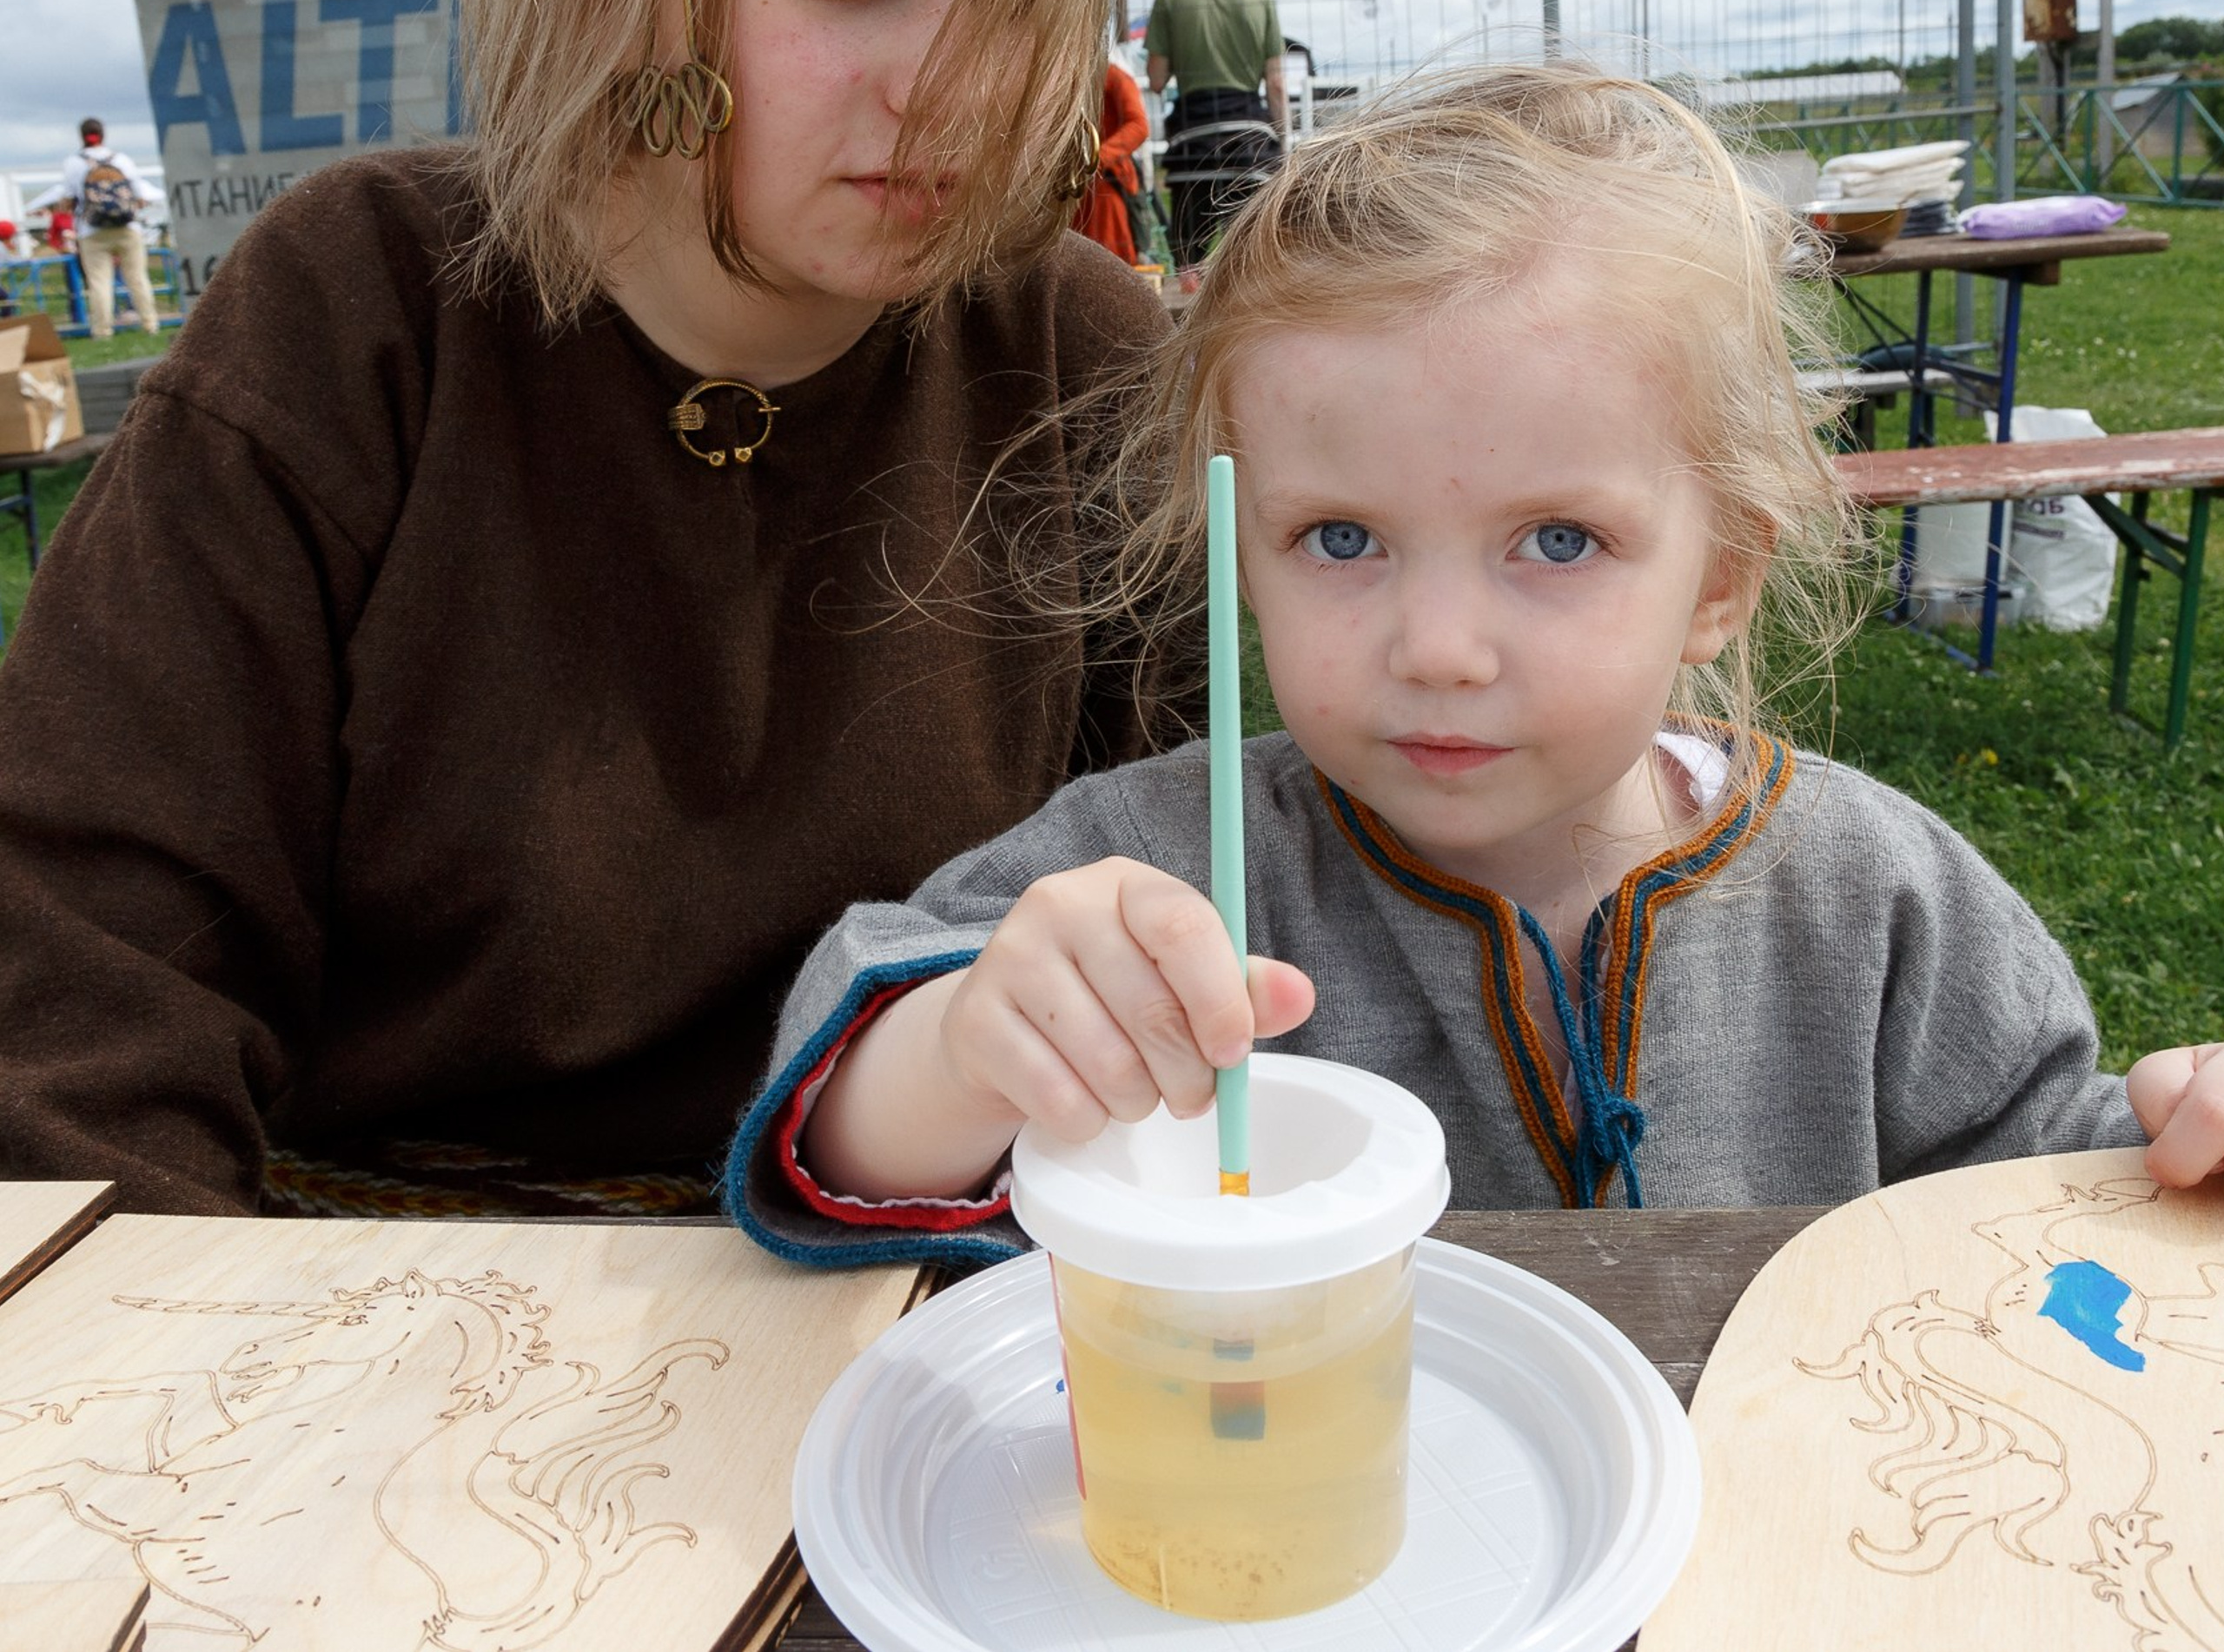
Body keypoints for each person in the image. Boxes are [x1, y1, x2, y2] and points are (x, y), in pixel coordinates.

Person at [0, 0, 1190, 1219]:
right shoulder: (353, 318)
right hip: (343, 1339)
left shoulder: (1084, 359)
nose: (958, 88)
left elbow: (1209, 951)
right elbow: (81, 1016)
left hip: (927, 1346)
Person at [725, 63, 2224, 1265]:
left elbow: (2057, 1200)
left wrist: (2172, 1145)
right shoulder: (1170, 869)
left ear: (1719, 577)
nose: (1437, 652)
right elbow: (842, 1115)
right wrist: (971, 1046)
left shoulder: (1878, 901)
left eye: (1557, 542)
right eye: (1341, 540)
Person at [1144, 0, 1285, 267]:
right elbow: (1276, 83)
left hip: (1194, 141)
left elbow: (1157, 80)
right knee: (1253, 258)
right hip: (1249, 138)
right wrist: (1281, 138)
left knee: (1188, 261)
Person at [30, 116, 163, 337]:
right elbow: (139, 194)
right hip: (127, 227)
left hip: (92, 230)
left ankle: (103, 330)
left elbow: (69, 198)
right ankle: (150, 324)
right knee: (138, 278)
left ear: (82, 136)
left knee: (99, 282)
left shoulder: (74, 163)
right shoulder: (122, 159)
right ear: (103, 134)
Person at [1072, 57, 1148, 264]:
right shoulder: (1067, 78)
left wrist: (1098, 157)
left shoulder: (1115, 77)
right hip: (1073, 185)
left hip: (1107, 182)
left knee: (1109, 259)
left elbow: (1139, 126)